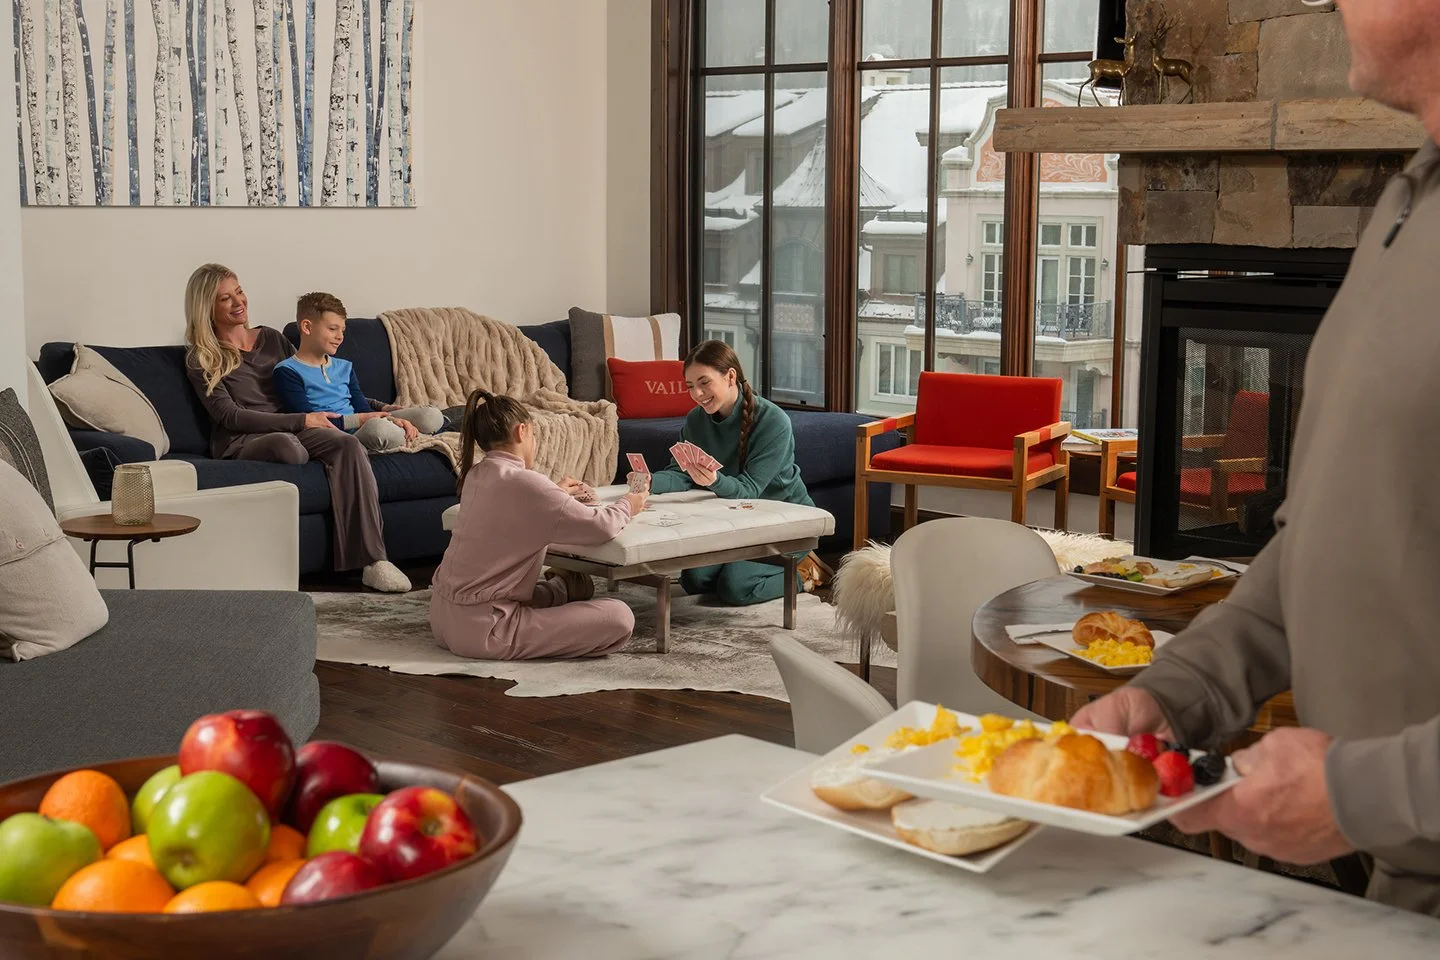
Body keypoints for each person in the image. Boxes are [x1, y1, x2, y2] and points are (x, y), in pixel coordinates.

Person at [1072, 0, 1440, 917]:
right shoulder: (1406, 201)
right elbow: (1321, 535)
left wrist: (1362, 792)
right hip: (1385, 888)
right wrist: (1180, 691)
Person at [182, 264, 411, 593]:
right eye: (224, 298)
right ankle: (295, 445)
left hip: (297, 424)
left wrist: (382, 410)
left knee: (345, 445)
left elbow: (314, 382)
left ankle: (373, 562)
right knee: (287, 445)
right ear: (207, 307)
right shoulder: (202, 357)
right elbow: (230, 416)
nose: (238, 302)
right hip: (244, 438)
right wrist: (301, 421)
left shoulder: (272, 338)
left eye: (239, 291)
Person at [429, 389, 643, 660]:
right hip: (489, 630)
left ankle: (562, 589)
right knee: (620, 617)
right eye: (533, 435)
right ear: (522, 431)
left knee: (542, 591)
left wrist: (555, 492)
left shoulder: (477, 474)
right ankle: (561, 591)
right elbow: (601, 527)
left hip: (443, 619)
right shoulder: (527, 483)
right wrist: (628, 504)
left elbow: (516, 509)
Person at [647, 340, 829, 605]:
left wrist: (714, 480)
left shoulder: (773, 421)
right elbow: (681, 472)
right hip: (737, 522)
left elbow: (750, 490)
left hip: (784, 522)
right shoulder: (696, 420)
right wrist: (649, 482)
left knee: (736, 586)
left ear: (730, 376)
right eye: (690, 387)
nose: (697, 394)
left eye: (704, 382)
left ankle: (806, 573)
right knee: (693, 580)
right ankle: (751, 567)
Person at [273, 292, 444, 452]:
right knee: (381, 430)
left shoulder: (344, 367)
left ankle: (404, 433)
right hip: (338, 435)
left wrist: (386, 417)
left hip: (363, 424)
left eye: (342, 330)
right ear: (307, 327)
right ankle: (407, 435)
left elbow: (362, 407)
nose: (340, 336)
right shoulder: (287, 371)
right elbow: (309, 421)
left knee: (432, 416)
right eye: (333, 329)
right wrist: (375, 420)